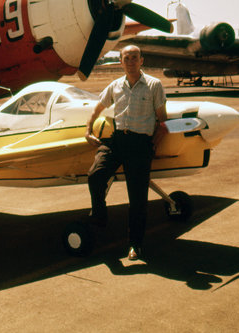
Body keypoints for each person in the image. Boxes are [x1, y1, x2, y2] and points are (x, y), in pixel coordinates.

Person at [85, 45, 168, 261]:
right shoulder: (115, 86)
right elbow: (97, 108)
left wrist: (153, 146)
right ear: (121, 62)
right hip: (118, 140)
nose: (130, 61)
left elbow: (163, 120)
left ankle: (135, 245)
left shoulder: (154, 85)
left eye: (134, 57)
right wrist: (87, 130)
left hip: (140, 144)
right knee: (95, 175)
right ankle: (100, 216)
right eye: (126, 58)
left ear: (142, 60)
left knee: (138, 199)